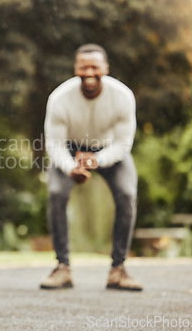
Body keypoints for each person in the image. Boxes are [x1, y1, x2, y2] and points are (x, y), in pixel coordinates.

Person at [41, 43, 142, 291]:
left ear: (105, 68)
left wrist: (97, 160)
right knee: (56, 193)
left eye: (94, 67)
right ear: (75, 68)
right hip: (69, 150)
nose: (89, 72)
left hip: (109, 151)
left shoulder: (122, 96)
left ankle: (118, 270)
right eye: (83, 66)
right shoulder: (59, 98)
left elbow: (123, 144)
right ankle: (62, 268)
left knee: (127, 194)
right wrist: (70, 167)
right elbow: (54, 144)